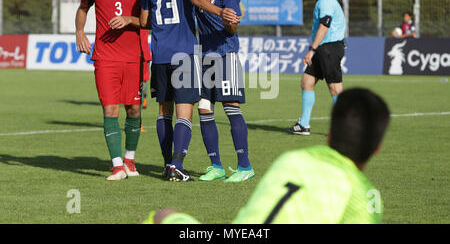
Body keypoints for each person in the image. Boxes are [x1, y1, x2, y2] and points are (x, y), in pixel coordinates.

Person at [144, 87, 391, 224]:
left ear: (329, 136)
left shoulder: (292, 159)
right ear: (376, 149)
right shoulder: (364, 196)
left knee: (161, 216)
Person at [149, 0, 253, 182]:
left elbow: (234, 26)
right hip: (202, 56)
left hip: (225, 52)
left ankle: (245, 166)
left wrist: (231, 22)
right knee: (205, 109)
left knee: (230, 107)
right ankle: (216, 165)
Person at [75, 0, 149, 181]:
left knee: (135, 109)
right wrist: (79, 32)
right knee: (110, 110)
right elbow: (83, 8)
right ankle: (117, 166)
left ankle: (129, 159)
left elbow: (150, 22)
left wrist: (130, 20)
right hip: (105, 58)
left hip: (135, 57)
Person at [287, 0, 346, 136]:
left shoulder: (326, 1)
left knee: (335, 89)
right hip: (323, 48)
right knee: (306, 82)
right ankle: (304, 125)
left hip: (329, 49)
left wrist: (311, 50)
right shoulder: (323, 0)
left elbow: (324, 26)